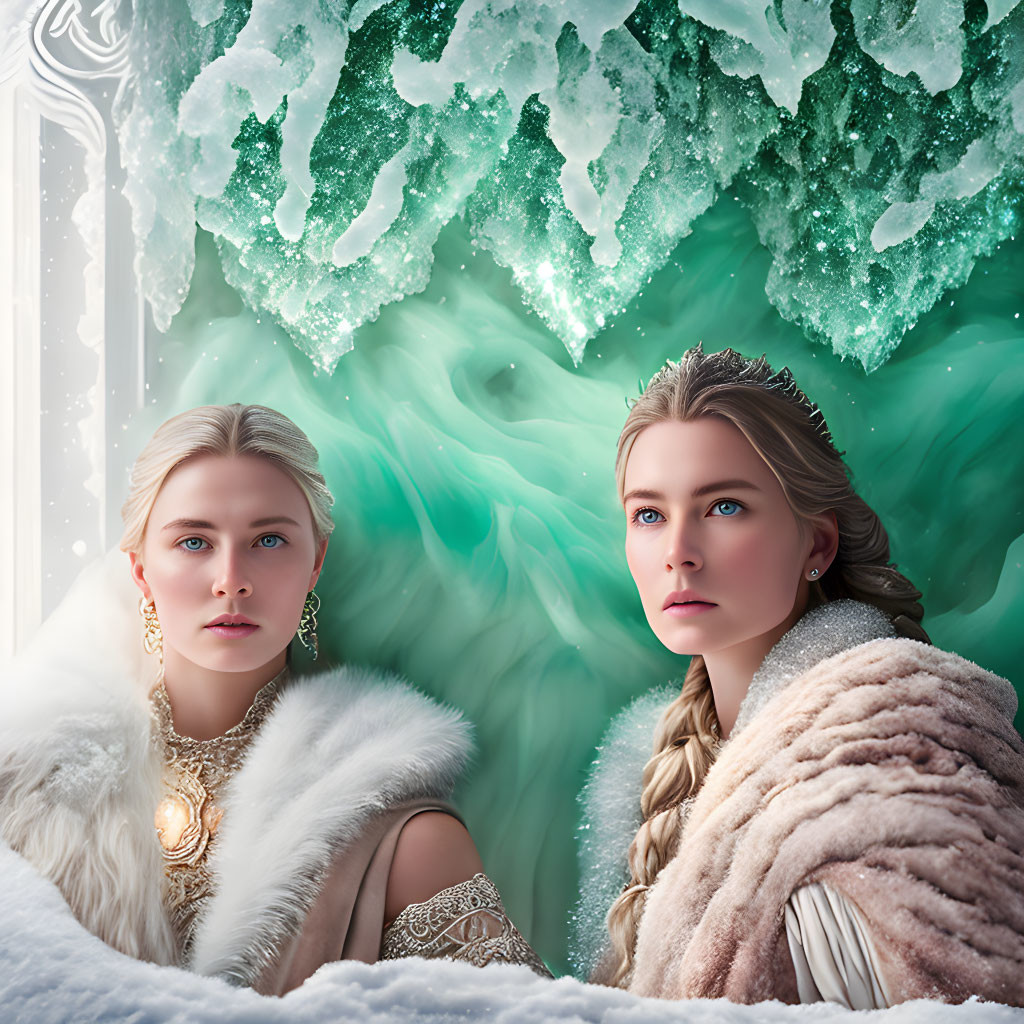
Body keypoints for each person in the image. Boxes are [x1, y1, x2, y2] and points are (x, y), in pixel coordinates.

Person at [0, 403, 548, 992]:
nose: (231, 578)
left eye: (267, 540)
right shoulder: (28, 794)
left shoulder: (396, 834)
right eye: (193, 542)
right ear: (139, 571)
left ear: (315, 562)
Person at [572, 345, 1024, 1008]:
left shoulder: (898, 739)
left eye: (723, 507)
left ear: (817, 543)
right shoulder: (650, 781)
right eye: (649, 514)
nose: (678, 554)